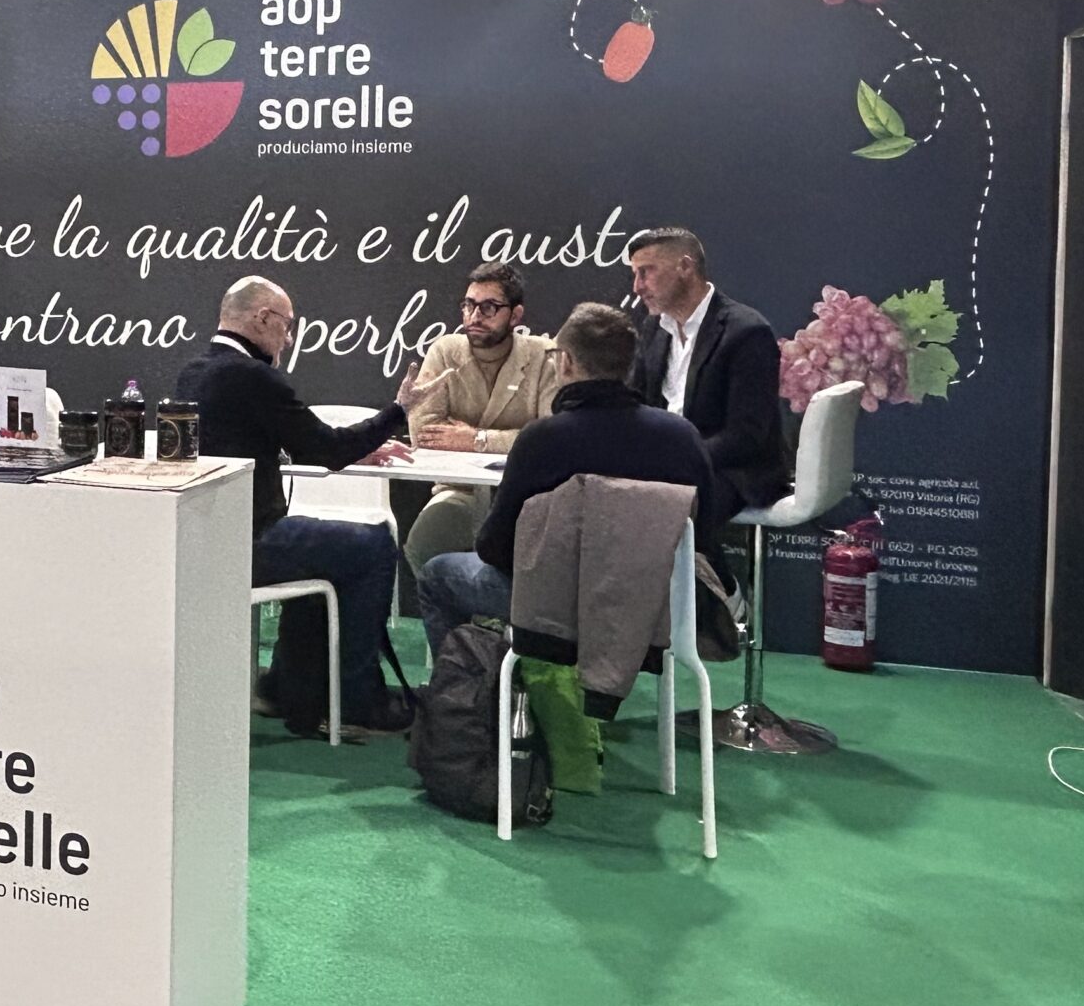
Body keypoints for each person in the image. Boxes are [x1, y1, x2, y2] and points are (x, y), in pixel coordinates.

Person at [176, 275, 423, 738]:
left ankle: (288, 687)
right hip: (250, 543)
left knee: (325, 552)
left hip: (208, 541)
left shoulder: (194, 372)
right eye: (287, 326)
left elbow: (271, 442)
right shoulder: (254, 377)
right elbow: (325, 448)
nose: (288, 339)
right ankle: (355, 697)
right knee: (373, 545)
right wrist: (397, 411)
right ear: (263, 318)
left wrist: (357, 449)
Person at [417, 302, 717, 661]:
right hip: (657, 610)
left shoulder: (542, 440)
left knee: (436, 575)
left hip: (554, 614)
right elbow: (704, 531)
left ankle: (468, 689)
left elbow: (494, 547)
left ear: (567, 362)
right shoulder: (682, 438)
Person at [389, 262, 562, 573]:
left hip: (527, 495)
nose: (474, 316)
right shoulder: (445, 351)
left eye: (488, 307)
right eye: (468, 305)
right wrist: (515, 436)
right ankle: (448, 608)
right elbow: (425, 433)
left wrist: (477, 439)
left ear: (515, 315)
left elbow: (550, 441)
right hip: (461, 491)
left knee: (529, 559)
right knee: (422, 544)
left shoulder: (544, 356)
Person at [623, 227, 789, 514]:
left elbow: (746, 435)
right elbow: (634, 402)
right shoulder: (653, 328)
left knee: (658, 508)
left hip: (732, 471)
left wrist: (675, 459)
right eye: (635, 274)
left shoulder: (747, 332)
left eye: (646, 272)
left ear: (685, 267)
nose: (637, 287)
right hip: (666, 465)